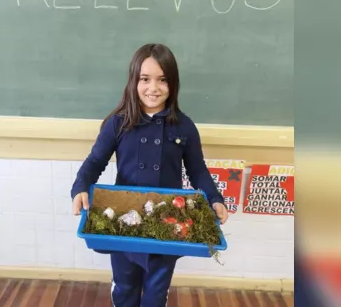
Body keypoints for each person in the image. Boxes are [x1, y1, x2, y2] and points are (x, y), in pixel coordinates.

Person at [70, 43, 229, 307]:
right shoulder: (118, 123)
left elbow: (198, 170)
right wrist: (80, 188)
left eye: (162, 80)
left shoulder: (185, 127)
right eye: (145, 79)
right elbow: (95, 161)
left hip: (166, 223)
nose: (153, 88)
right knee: (124, 287)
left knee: (156, 292)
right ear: (134, 81)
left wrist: (215, 198)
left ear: (173, 84)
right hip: (124, 223)